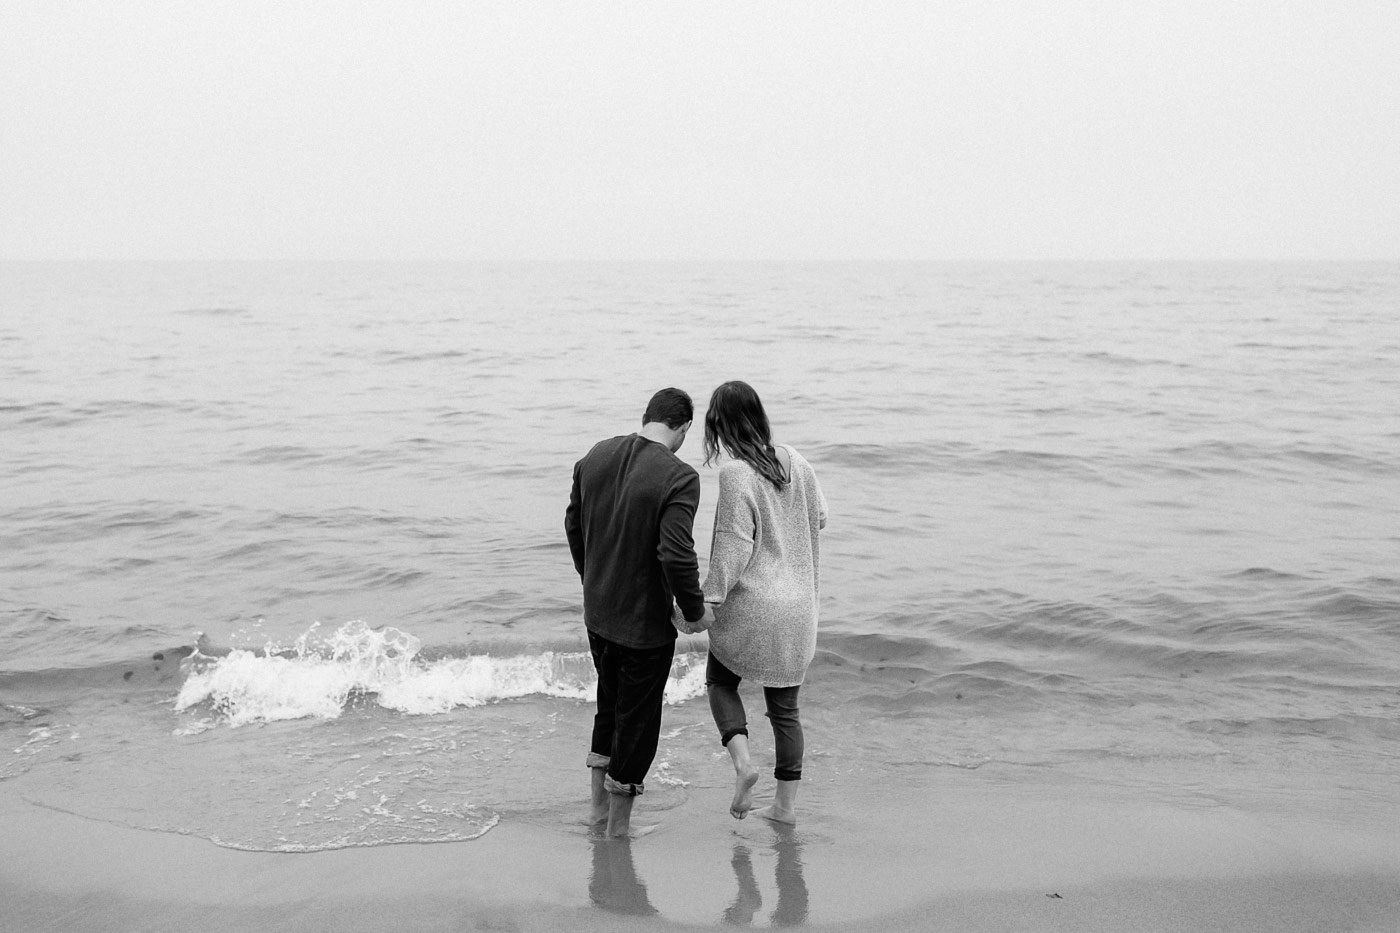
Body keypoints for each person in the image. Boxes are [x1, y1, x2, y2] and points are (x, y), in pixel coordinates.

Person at [565, 387, 714, 837]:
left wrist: (593, 579)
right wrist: (695, 611)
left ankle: (596, 813)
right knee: (639, 724)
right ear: (684, 428)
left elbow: (574, 527)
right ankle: (618, 830)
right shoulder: (679, 476)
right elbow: (676, 554)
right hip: (644, 627)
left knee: (608, 709)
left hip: (599, 613)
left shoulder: (595, 456)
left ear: (646, 416)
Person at [684, 380, 827, 825]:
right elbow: (821, 517)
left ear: (721, 427)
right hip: (799, 608)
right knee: (785, 711)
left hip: (755, 605)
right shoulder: (797, 461)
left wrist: (707, 603)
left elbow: (732, 546)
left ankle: (745, 764)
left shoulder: (736, 474)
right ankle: (784, 810)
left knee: (720, 682)